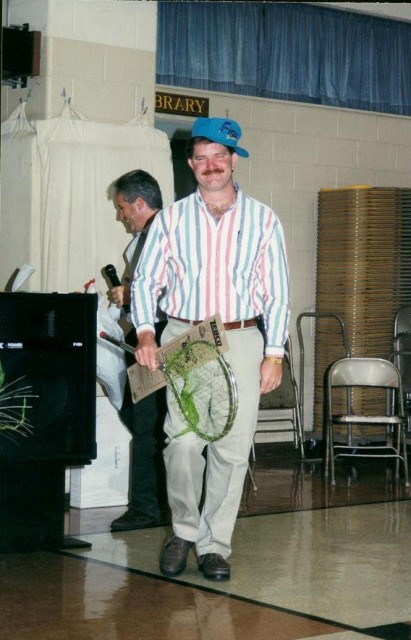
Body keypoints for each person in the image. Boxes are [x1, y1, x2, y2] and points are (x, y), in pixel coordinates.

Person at [130, 118, 290, 580]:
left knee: (232, 449)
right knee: (182, 443)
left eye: (220, 156)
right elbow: (146, 281)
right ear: (191, 164)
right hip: (186, 335)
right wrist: (144, 332)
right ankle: (182, 530)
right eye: (201, 158)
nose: (211, 166)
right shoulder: (172, 218)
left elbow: (277, 292)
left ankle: (214, 544)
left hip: (242, 337)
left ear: (234, 160)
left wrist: (274, 353)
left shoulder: (263, 219)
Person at [108, 169, 168, 532]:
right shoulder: (147, 239)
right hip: (153, 336)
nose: (121, 215)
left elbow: (171, 289)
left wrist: (131, 295)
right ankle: (161, 504)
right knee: (151, 423)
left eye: (123, 208)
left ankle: (148, 509)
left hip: (160, 337)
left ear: (140, 203)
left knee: (148, 425)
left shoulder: (166, 234)